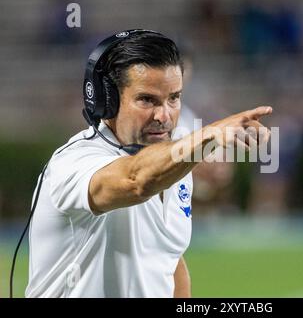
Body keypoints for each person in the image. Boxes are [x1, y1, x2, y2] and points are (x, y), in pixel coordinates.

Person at [25, 30, 272, 298]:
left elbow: (168, 258)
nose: (164, 115)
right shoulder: (74, 161)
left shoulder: (174, 164)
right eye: (147, 100)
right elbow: (136, 181)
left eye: (174, 98)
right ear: (107, 100)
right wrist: (208, 135)